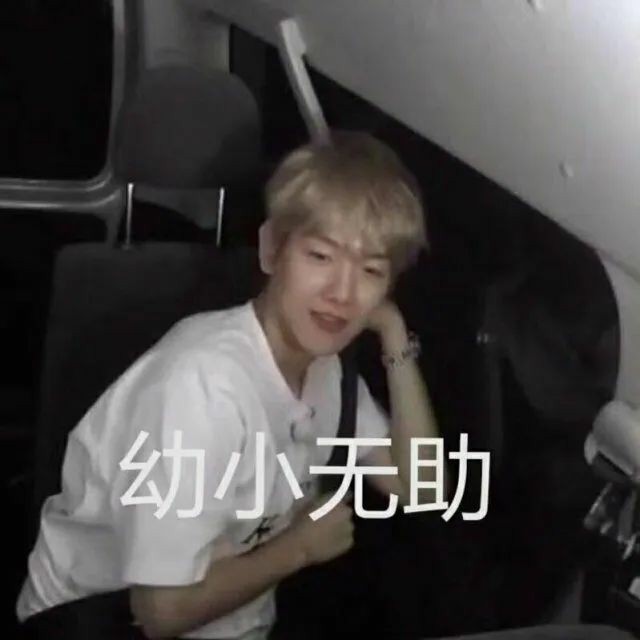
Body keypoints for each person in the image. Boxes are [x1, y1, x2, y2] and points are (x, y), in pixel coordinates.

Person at [17, 131, 440, 639]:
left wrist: (393, 332)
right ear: (271, 250)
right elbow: (160, 612)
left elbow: (422, 488)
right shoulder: (201, 387)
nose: (343, 293)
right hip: (92, 628)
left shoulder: (325, 369)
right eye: (320, 257)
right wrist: (299, 548)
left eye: (371, 270)